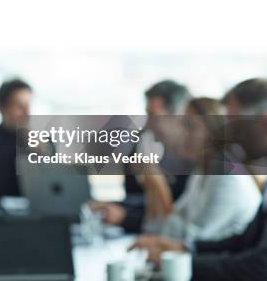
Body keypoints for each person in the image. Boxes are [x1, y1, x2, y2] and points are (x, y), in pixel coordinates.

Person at [130, 78, 267, 281]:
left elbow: (260, 267)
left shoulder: (227, 177)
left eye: (233, 121)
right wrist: (184, 248)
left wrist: (179, 260)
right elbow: (244, 242)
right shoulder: (203, 173)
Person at [147, 98, 261, 241]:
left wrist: (158, 185)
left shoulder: (227, 178)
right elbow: (173, 220)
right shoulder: (200, 172)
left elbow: (195, 239)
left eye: (189, 126)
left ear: (212, 132)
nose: (181, 133)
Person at [90, 80, 192, 232]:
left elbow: (176, 216)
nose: (148, 124)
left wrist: (126, 216)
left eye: (153, 115)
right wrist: (117, 206)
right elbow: (136, 195)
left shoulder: (192, 162)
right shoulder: (148, 147)